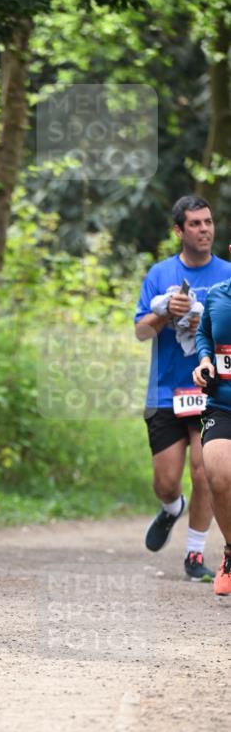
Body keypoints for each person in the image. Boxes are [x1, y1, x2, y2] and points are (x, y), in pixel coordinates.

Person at [134, 195, 231, 580]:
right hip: (165, 391)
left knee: (206, 469)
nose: (204, 229)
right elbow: (140, 332)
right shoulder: (159, 275)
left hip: (215, 393)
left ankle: (195, 557)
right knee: (166, 481)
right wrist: (165, 314)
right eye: (195, 223)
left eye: (208, 222)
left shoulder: (227, 274)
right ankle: (172, 508)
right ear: (179, 231)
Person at [193, 254, 231, 596]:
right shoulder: (218, 294)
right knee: (217, 475)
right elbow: (205, 335)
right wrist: (204, 360)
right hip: (224, 404)